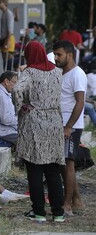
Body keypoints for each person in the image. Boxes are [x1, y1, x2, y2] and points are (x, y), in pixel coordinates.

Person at [12, 41, 65, 223]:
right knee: (53, 170)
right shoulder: (58, 71)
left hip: (35, 122)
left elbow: (17, 89)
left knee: (34, 169)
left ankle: (39, 212)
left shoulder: (29, 72)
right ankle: (58, 213)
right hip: (54, 121)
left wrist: (22, 107)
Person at [53, 39, 86, 216]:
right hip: (60, 125)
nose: (56, 58)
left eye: (59, 54)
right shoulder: (61, 73)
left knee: (68, 164)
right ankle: (77, 199)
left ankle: (67, 205)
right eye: (55, 54)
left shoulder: (77, 74)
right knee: (62, 165)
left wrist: (69, 127)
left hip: (70, 127)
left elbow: (80, 103)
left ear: (70, 55)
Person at [0, 71, 19, 148]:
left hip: (5, 130)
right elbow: (6, 119)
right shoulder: (0, 95)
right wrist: (21, 120)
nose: (16, 85)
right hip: (1, 132)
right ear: (6, 82)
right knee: (27, 140)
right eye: (14, 82)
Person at [0, 0, 15, 69]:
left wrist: (7, 42)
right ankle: (5, 76)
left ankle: (9, 75)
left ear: (4, 3)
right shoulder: (4, 13)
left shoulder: (8, 14)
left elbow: (10, 30)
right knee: (4, 59)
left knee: (8, 59)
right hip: (4, 38)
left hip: (8, 38)